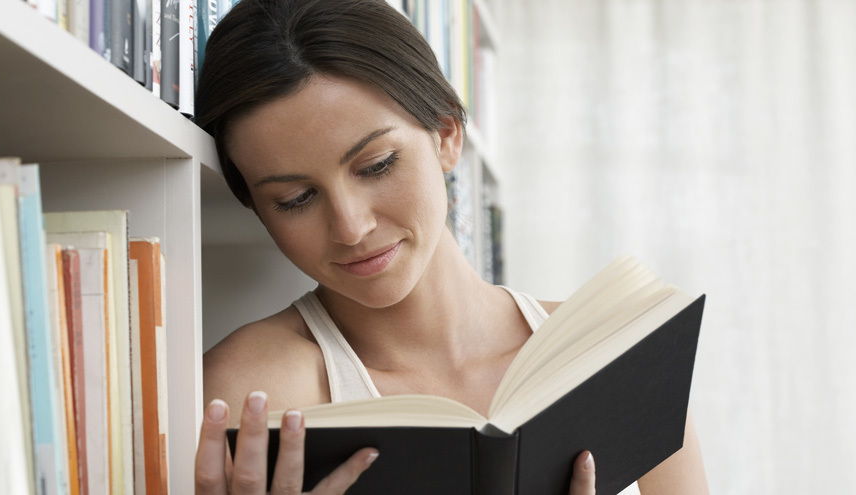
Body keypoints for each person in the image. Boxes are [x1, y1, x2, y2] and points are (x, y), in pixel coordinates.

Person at [193, 0, 709, 493]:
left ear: (446, 134)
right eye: (295, 199)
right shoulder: (251, 394)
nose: (350, 227)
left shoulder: (616, 354)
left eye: (377, 166)